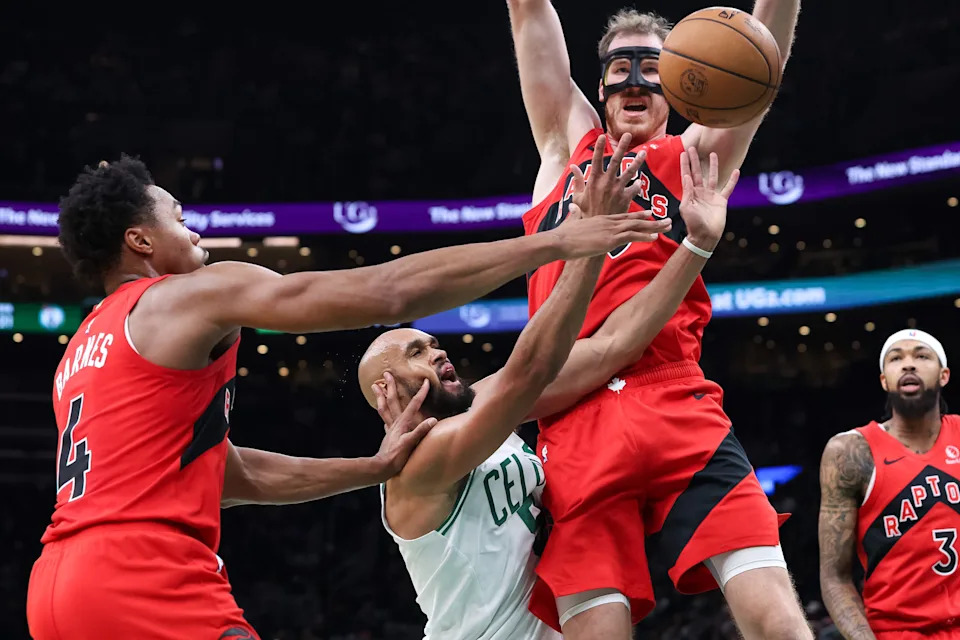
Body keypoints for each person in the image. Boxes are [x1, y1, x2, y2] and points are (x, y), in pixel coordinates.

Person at [25, 155, 663, 640]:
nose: (193, 228)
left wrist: (374, 468)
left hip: (55, 585)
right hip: (145, 572)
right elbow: (389, 293)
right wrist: (558, 241)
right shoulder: (185, 296)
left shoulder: (77, 354)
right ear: (140, 241)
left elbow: (225, 471)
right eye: (177, 217)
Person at [505, 2, 809, 638]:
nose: (637, 80)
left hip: (675, 397)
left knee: (777, 621)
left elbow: (761, 55)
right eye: (622, 66)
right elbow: (529, 11)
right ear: (600, 87)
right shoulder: (563, 151)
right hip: (573, 414)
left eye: (653, 65)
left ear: (681, 81)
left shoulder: (696, 157)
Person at [362, 146, 737, 639]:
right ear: (384, 387)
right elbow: (532, 369)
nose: (436, 352)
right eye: (415, 352)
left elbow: (612, 346)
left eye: (433, 343)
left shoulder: (482, 399)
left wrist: (698, 246)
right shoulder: (415, 464)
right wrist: (585, 243)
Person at [819, 329, 959, 640]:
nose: (909, 364)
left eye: (921, 356)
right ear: (884, 380)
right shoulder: (851, 453)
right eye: (896, 358)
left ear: (944, 375)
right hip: (896, 632)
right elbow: (834, 577)